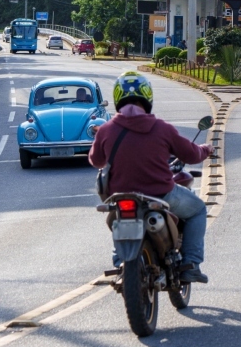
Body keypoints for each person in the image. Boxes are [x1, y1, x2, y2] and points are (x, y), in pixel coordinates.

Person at [89, 71, 213, 284]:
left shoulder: (106, 130)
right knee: (198, 209)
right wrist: (205, 149)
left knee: (118, 217)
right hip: (161, 194)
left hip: (120, 196)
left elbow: (96, 161)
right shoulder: (162, 129)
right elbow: (192, 155)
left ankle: (120, 260)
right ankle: (191, 263)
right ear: (147, 98)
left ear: (118, 98)